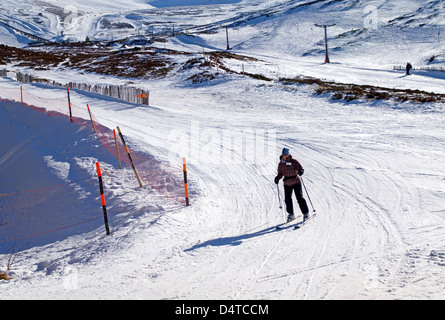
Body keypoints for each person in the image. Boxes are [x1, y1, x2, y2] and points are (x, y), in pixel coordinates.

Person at [274, 148, 309, 222]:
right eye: (284, 156)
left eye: (287, 156)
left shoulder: (294, 161)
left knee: (299, 198)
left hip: (296, 181)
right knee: (287, 199)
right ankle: (291, 214)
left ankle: (306, 213)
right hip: (287, 183)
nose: (285, 157)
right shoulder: (281, 164)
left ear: (289, 155)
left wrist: (301, 171)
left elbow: (301, 168)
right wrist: (277, 178)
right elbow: (280, 174)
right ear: (282, 155)